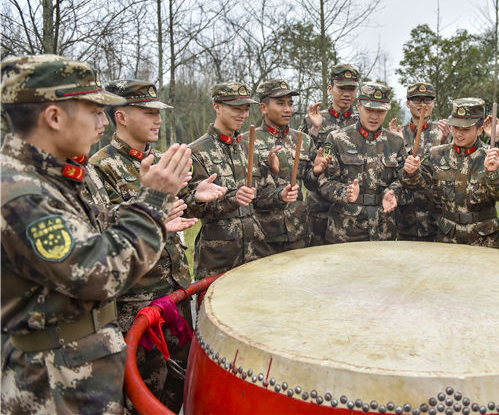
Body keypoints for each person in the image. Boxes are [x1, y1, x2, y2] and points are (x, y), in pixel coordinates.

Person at [1, 54, 192, 414]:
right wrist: (152, 201)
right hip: (54, 385)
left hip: (83, 368)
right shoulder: (20, 193)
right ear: (54, 117)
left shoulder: (60, 175)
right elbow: (97, 273)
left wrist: (151, 215)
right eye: (93, 110)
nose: (103, 121)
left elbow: (97, 230)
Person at [89, 80, 224, 412]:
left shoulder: (161, 160)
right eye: (148, 112)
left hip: (174, 287)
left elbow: (173, 214)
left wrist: (193, 198)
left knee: (179, 378)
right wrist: (149, 206)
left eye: (159, 113)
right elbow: (108, 231)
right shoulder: (101, 167)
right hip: (137, 297)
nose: (158, 120)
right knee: (147, 387)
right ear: (120, 116)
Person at [185, 82, 278, 280]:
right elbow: (191, 208)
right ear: (216, 107)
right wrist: (232, 198)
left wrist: (278, 188)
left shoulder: (246, 146)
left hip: (255, 249)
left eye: (245, 109)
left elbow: (260, 197)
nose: (243, 115)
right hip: (219, 255)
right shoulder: (196, 152)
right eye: (236, 108)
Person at [402, 98, 499, 248]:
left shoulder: (492, 156)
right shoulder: (437, 154)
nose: (458, 133)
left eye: (465, 129)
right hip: (448, 236)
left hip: (485, 238)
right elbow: (415, 185)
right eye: (455, 127)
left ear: (479, 130)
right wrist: (411, 172)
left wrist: (492, 173)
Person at [319, 81, 404, 243]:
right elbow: (323, 182)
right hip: (346, 229)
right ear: (358, 106)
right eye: (369, 110)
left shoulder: (395, 142)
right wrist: (345, 192)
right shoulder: (337, 139)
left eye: (380, 111)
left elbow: (402, 180)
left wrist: (393, 192)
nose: (374, 116)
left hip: (383, 228)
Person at [250, 79, 325, 255]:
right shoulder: (248, 141)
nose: (288, 109)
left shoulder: (303, 140)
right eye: (280, 104)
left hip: (298, 233)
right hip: (263, 236)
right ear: (264, 108)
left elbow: (311, 184)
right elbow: (249, 195)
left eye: (290, 104)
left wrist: (315, 172)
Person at [303, 64, 360, 245]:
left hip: (350, 206)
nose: (346, 94)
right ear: (330, 89)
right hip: (319, 205)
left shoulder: (363, 121)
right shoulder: (315, 119)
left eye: (351, 89)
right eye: (341, 88)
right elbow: (304, 159)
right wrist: (314, 129)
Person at [390, 82, 449, 241]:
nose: (422, 104)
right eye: (417, 99)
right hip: (407, 217)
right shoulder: (398, 134)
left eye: (427, 99)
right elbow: (394, 171)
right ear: (408, 103)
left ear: (434, 103)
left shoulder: (445, 132)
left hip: (437, 217)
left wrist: (446, 142)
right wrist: (398, 144)